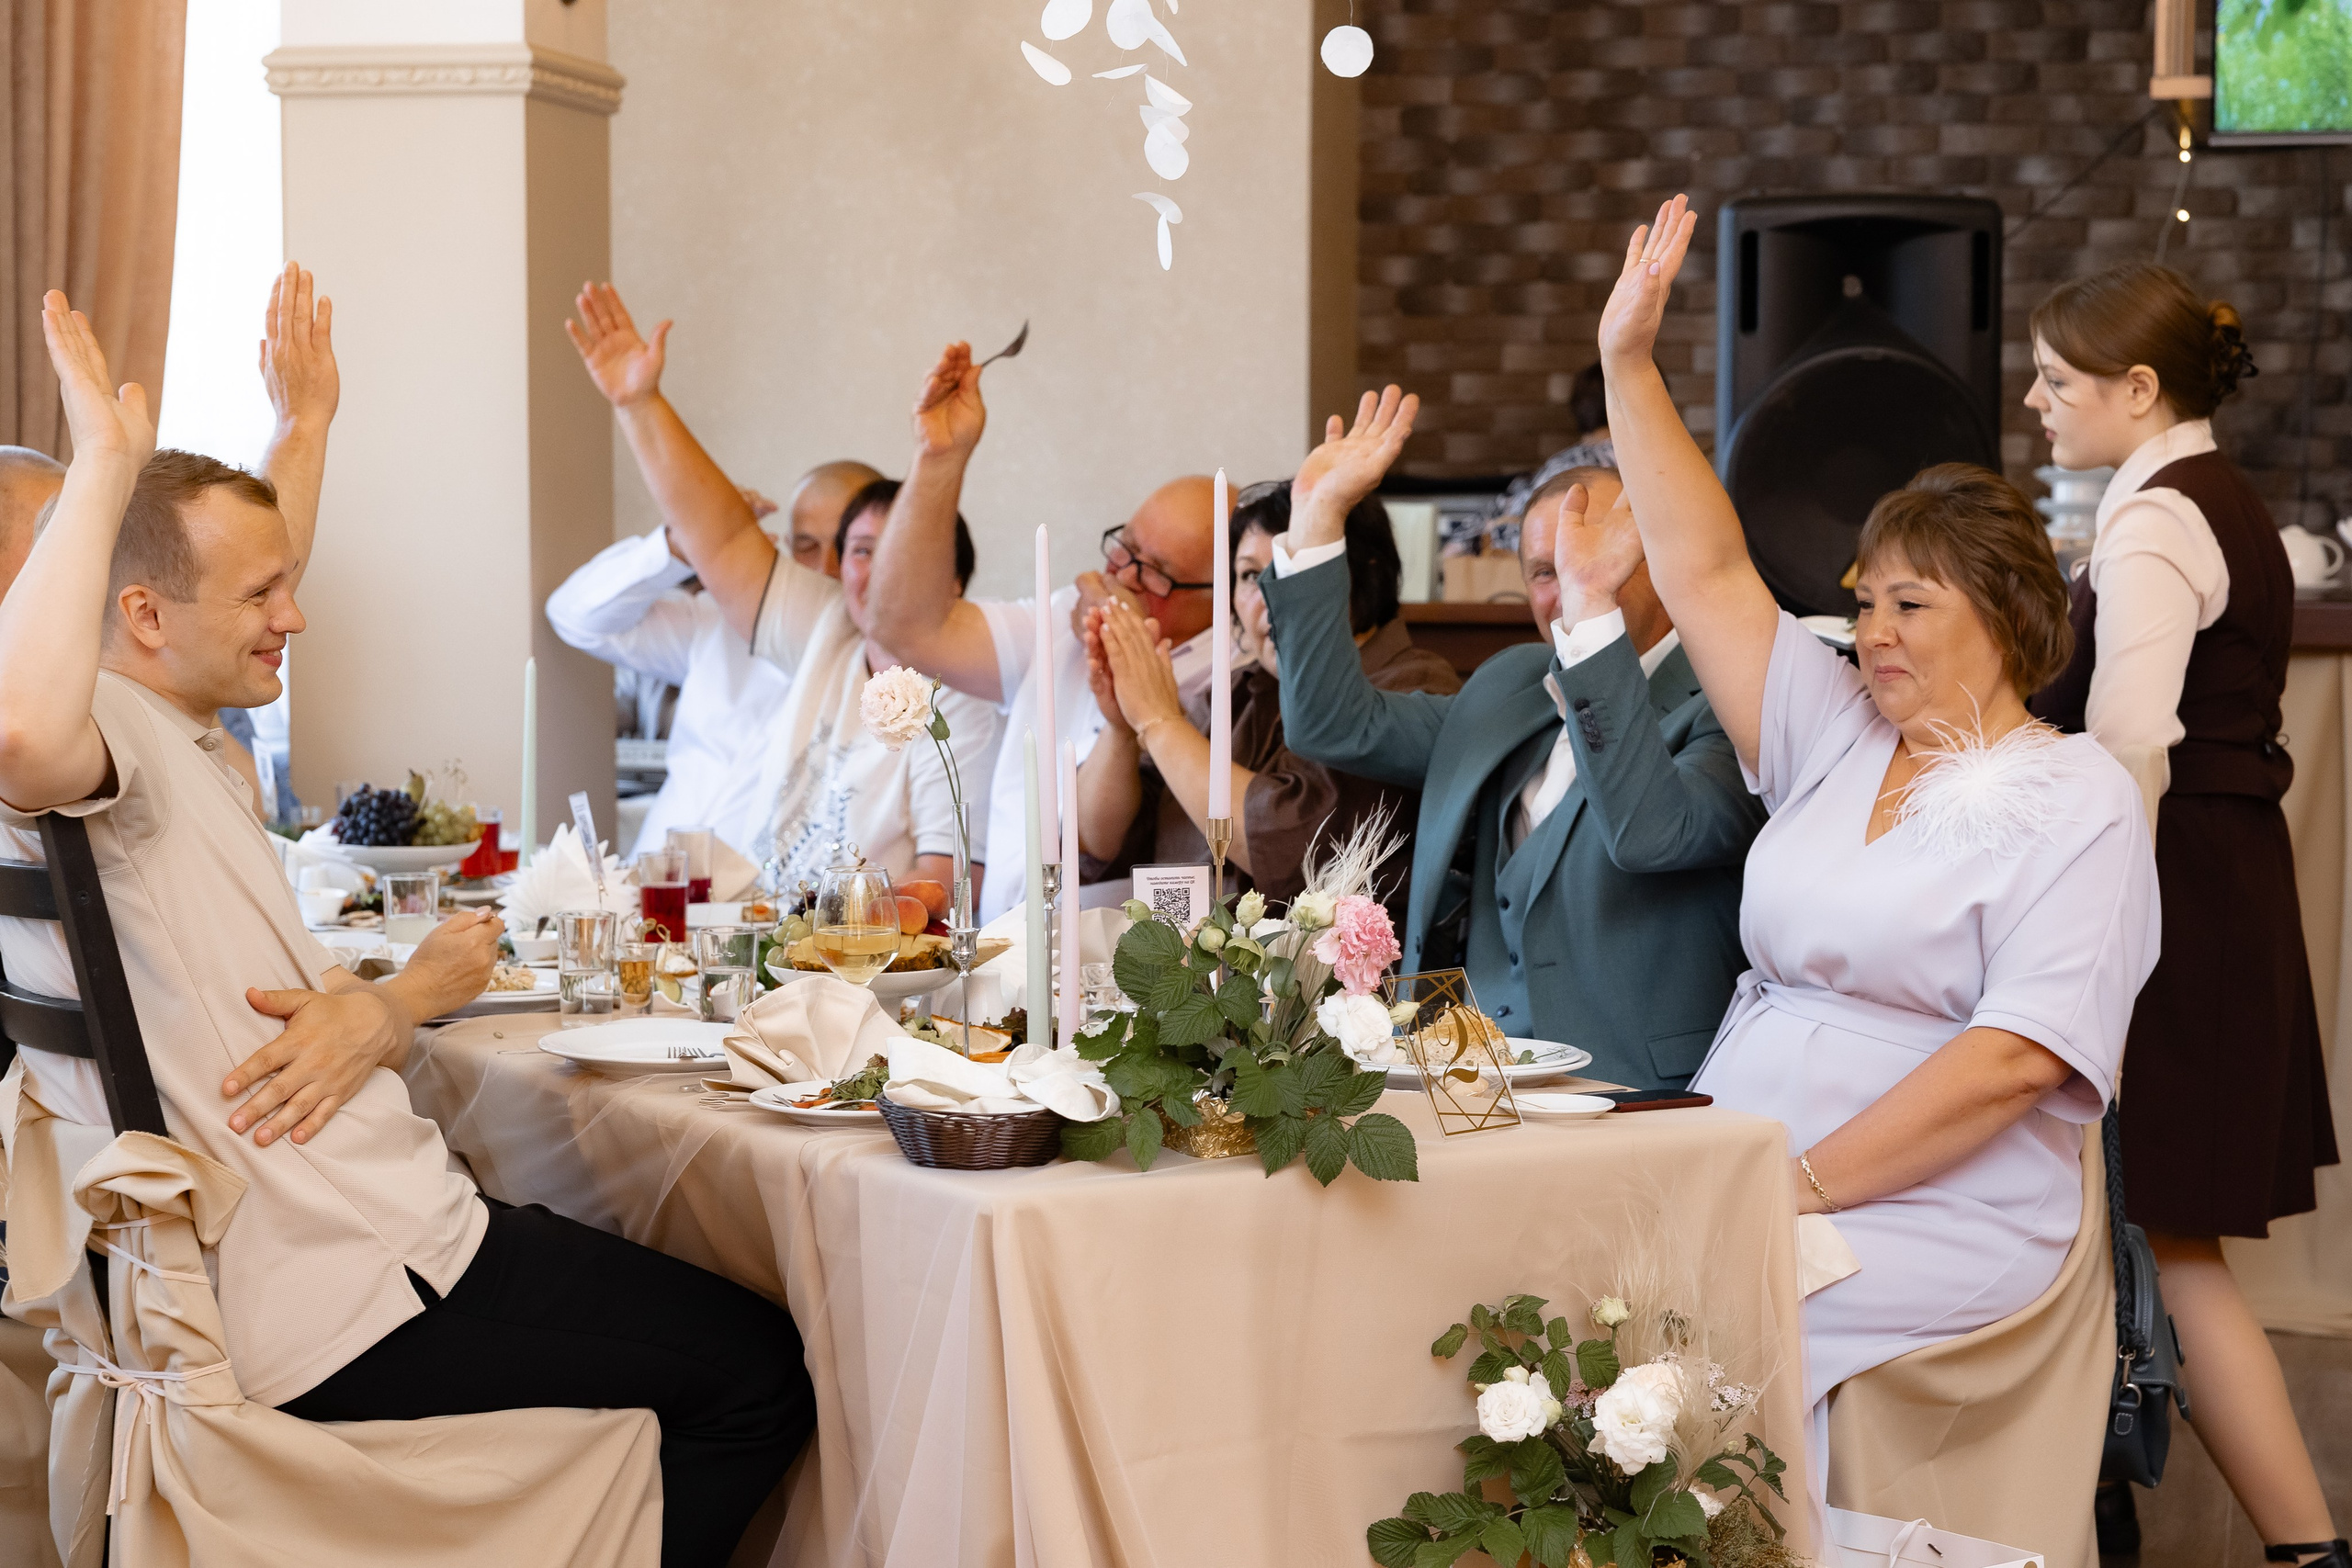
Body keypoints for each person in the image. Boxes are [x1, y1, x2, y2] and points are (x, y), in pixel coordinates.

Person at [0, 292, 812, 1568]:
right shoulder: (92, 735)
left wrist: (302, 426)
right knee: (761, 1371)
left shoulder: (165, 717)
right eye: (71, 545)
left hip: (303, 1256)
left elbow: (232, 592)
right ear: (133, 613)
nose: (295, 613)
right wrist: (105, 459)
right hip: (344, 1281)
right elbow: (31, 725)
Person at [1599, 196, 2161, 1480]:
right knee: (1585, 1289)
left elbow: (2018, 1060)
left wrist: (1792, 1189)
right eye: (1863, 602)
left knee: (1717, 1312)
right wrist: (1628, 362)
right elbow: (1706, 569)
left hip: (1945, 1203)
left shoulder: (2080, 797)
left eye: (1912, 600)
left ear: (2012, 613)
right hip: (1744, 1159)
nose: (1876, 630)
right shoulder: (1833, 725)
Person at [2023, 261, 2343, 1568]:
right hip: (2219, 874)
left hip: (2179, 896)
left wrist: (2105, 933)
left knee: (2169, 1231)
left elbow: (2131, 743)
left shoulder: (2155, 519)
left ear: (2138, 389)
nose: (2038, 404)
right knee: (2158, 1231)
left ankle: (2301, 1542)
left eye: (2058, 382)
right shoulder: (2216, 496)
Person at [1261, 388, 1763, 1088]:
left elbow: (1654, 834)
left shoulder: (1727, 697)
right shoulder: (1513, 685)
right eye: (1542, 572)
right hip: (1470, 1078)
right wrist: (1317, 519)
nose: (1565, 591)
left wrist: (1594, 624)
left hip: (1639, 1092)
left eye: (1585, 562)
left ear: (1655, 553)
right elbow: (1332, 723)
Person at [564, 283, 1001, 895]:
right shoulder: (830, 628)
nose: (877, 575)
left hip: (853, 972)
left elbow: (946, 886)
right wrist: (639, 403)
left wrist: (822, 928)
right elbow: (718, 536)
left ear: (952, 582)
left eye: (900, 553)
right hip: (747, 945)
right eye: (860, 552)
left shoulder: (959, 700)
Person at [859, 340, 1226, 922]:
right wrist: (939, 458)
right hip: (1004, 947)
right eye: (1123, 547)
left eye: (1155, 571)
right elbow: (903, 628)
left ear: (1222, 600)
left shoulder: (1234, 676)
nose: (1122, 575)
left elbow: (1096, 840)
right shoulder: (1065, 619)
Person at [1076, 480, 1460, 914]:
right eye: (1248, 575)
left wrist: (1161, 723)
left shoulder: (1413, 684)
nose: (1268, 600)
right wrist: (1122, 726)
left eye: (1288, 573)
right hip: (1188, 967)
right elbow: (1098, 839)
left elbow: (1287, 844)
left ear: (1364, 574)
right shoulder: (1242, 690)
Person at [546, 454, 881, 863]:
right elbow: (577, 618)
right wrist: (680, 545)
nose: (827, 567)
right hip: (651, 884)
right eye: (808, 546)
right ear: (788, 546)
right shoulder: (715, 621)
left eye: (852, 549)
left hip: (769, 910)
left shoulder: (890, 672)